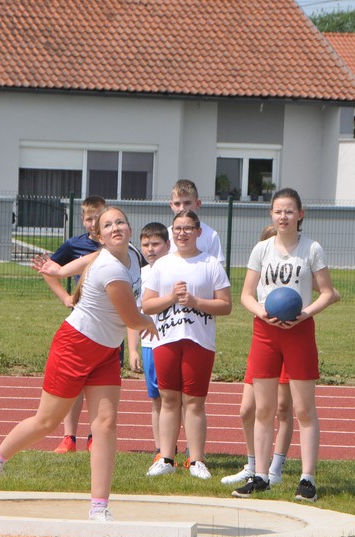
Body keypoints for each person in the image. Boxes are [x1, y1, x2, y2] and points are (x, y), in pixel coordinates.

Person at [0, 207, 159, 521]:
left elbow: (87, 259)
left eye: (121, 222)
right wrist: (148, 322)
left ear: (129, 229)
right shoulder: (110, 269)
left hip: (105, 351)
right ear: (99, 235)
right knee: (47, 422)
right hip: (75, 345)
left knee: (106, 425)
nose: (116, 227)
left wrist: (59, 271)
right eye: (108, 225)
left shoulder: (128, 253)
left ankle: (99, 507)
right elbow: (131, 317)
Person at [232, 189, 339, 501]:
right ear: (271, 214)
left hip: (299, 332)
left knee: (304, 409)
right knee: (264, 408)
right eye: (278, 211)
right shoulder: (261, 250)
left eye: (289, 211)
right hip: (265, 332)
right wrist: (262, 313)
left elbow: (328, 292)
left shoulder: (311, 249)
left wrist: (304, 314)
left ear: (300, 214)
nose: (283, 217)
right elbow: (246, 295)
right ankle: (261, 475)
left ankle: (307, 479)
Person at [141, 209, 232, 480]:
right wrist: (170, 297)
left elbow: (226, 305)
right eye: (178, 228)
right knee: (168, 399)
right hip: (166, 339)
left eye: (188, 228)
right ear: (172, 232)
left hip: (199, 341)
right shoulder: (162, 265)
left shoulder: (211, 264)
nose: (182, 233)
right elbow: (147, 304)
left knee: (194, 402)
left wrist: (195, 302)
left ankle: (196, 460)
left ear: (198, 231)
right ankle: (166, 458)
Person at [222, 225, 294, 487]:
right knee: (247, 410)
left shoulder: (291, 274)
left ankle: (275, 467)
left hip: (288, 340)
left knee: (283, 408)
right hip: (263, 340)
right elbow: (247, 297)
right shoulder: (259, 268)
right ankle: (253, 465)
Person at [44, 196, 107, 454]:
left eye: (98, 217)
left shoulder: (117, 246)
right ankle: (69, 437)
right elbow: (50, 269)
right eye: (89, 218)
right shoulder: (75, 244)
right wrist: (65, 297)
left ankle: (96, 436)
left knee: (100, 383)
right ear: (82, 220)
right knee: (76, 383)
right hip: (83, 321)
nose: (93, 223)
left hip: (108, 324)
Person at [127, 222, 171, 454]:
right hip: (149, 345)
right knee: (156, 400)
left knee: (175, 399)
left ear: (167, 245)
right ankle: (159, 448)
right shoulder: (139, 275)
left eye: (155, 244)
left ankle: (178, 447)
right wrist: (133, 350)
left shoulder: (176, 270)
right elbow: (134, 314)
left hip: (173, 342)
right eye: (145, 244)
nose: (150, 249)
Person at [168, 179, 225, 266]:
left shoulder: (211, 236)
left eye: (187, 203)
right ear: (171, 205)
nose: (182, 208)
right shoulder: (166, 235)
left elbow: (217, 272)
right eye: (177, 204)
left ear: (198, 204)